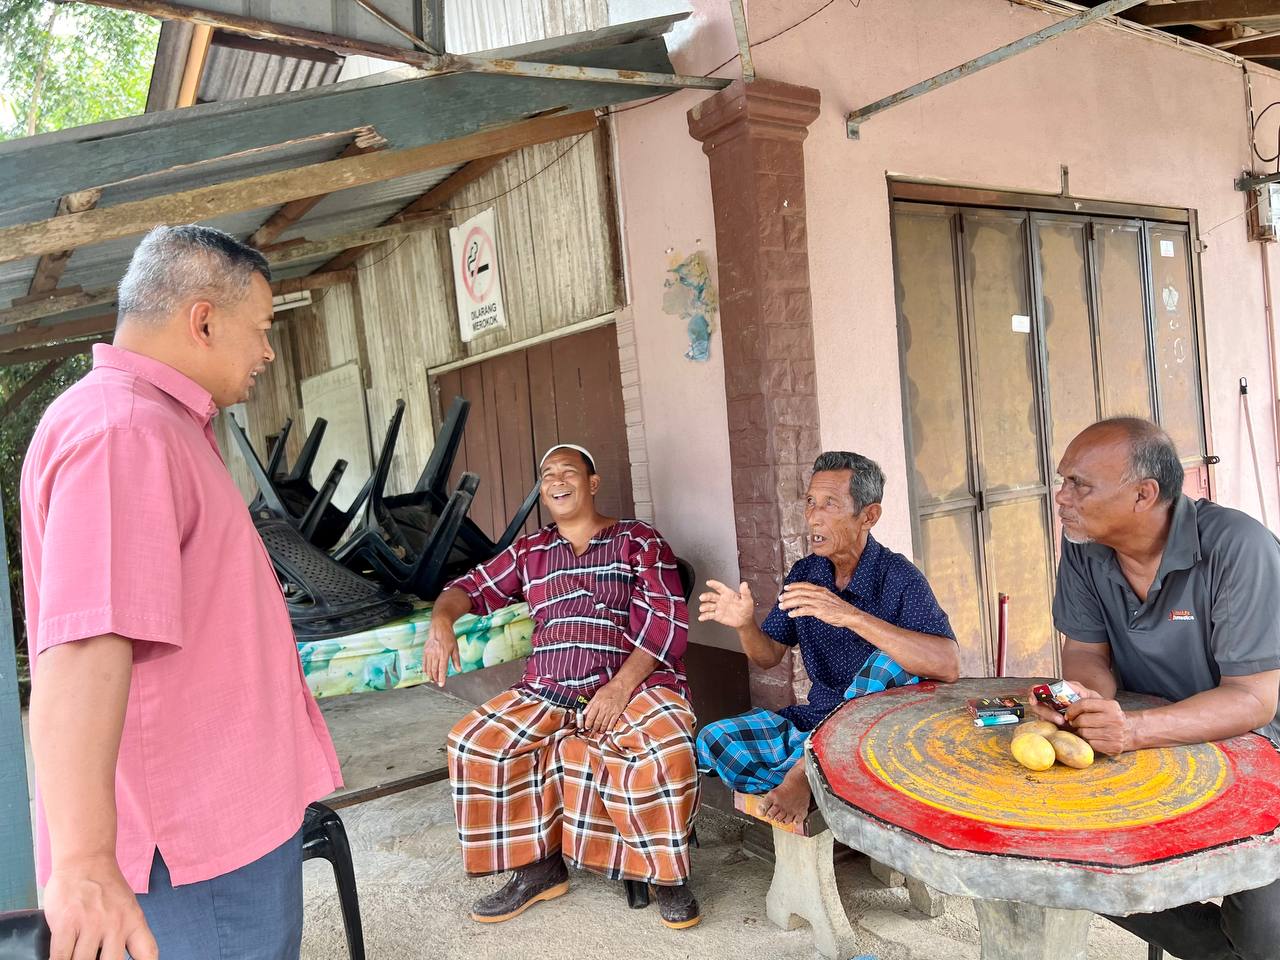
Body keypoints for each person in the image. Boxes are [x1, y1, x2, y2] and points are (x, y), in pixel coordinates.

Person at [21, 225, 341, 960]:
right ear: (203, 321)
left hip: (217, 826)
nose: (267, 351)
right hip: (190, 849)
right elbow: (85, 644)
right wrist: (84, 861)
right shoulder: (124, 432)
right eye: (261, 328)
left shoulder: (151, 422)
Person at [1029, 417, 1280, 960]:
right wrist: (1087, 703)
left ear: (1144, 494)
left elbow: (1253, 699)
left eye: (1079, 485)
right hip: (1152, 740)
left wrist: (1132, 729)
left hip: (1263, 749)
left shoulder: (1239, 547)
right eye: (1063, 480)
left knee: (1264, 935)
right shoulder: (1085, 546)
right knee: (1078, 861)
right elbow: (1086, 653)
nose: (1061, 498)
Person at [427, 444, 700, 928]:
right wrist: (441, 622)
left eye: (568, 471)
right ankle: (539, 869)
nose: (556, 480)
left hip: (634, 685)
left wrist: (618, 689)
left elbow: (666, 621)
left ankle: (668, 876)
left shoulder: (638, 540)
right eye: (547, 473)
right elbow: (467, 588)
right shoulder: (530, 550)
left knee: (666, 749)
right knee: (474, 744)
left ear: (592, 483)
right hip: (548, 687)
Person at [696, 450, 960, 825]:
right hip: (816, 722)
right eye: (810, 502)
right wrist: (744, 625)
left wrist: (850, 615)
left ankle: (805, 775)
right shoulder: (806, 574)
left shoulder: (898, 576)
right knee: (714, 740)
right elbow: (768, 656)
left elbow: (948, 664)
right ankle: (822, 772)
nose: (813, 516)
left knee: (887, 664)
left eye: (830, 504)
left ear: (868, 516)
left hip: (876, 732)